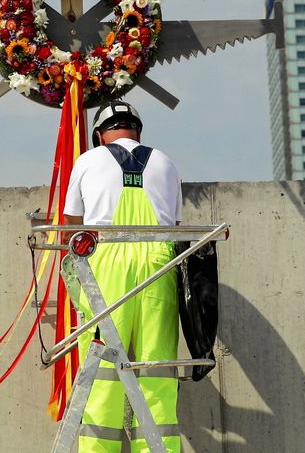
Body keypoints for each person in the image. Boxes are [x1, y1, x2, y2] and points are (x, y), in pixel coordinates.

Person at [64, 100, 182, 453]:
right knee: (156, 366)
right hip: (159, 262)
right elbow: (175, 225)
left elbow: (73, 226)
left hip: (107, 262)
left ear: (100, 135)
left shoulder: (88, 160)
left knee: (102, 372)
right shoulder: (164, 161)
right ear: (138, 131)